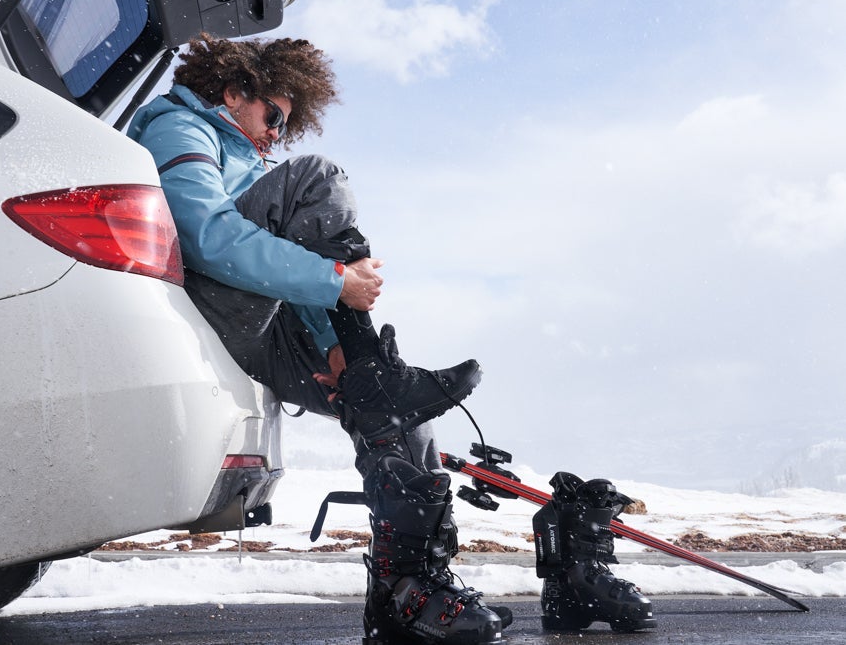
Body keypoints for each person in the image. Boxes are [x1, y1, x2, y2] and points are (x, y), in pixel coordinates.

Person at [127, 33, 652, 643]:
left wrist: (336, 348)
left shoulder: (251, 158)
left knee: (404, 422)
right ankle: (370, 377)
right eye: (273, 114)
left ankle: (408, 593)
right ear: (233, 90)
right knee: (319, 179)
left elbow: (281, 268)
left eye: (284, 125)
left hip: (269, 323)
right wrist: (335, 280)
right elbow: (207, 238)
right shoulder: (179, 129)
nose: (275, 134)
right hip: (212, 304)